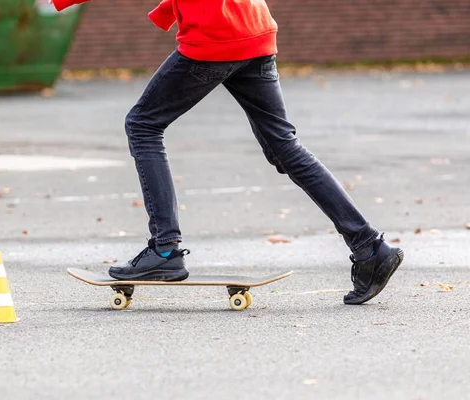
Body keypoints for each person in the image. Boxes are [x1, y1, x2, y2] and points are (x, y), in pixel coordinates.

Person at [52, 0, 404, 305]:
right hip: (254, 29)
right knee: (285, 147)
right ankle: (369, 247)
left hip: (214, 36)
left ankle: (164, 250)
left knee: (143, 126)